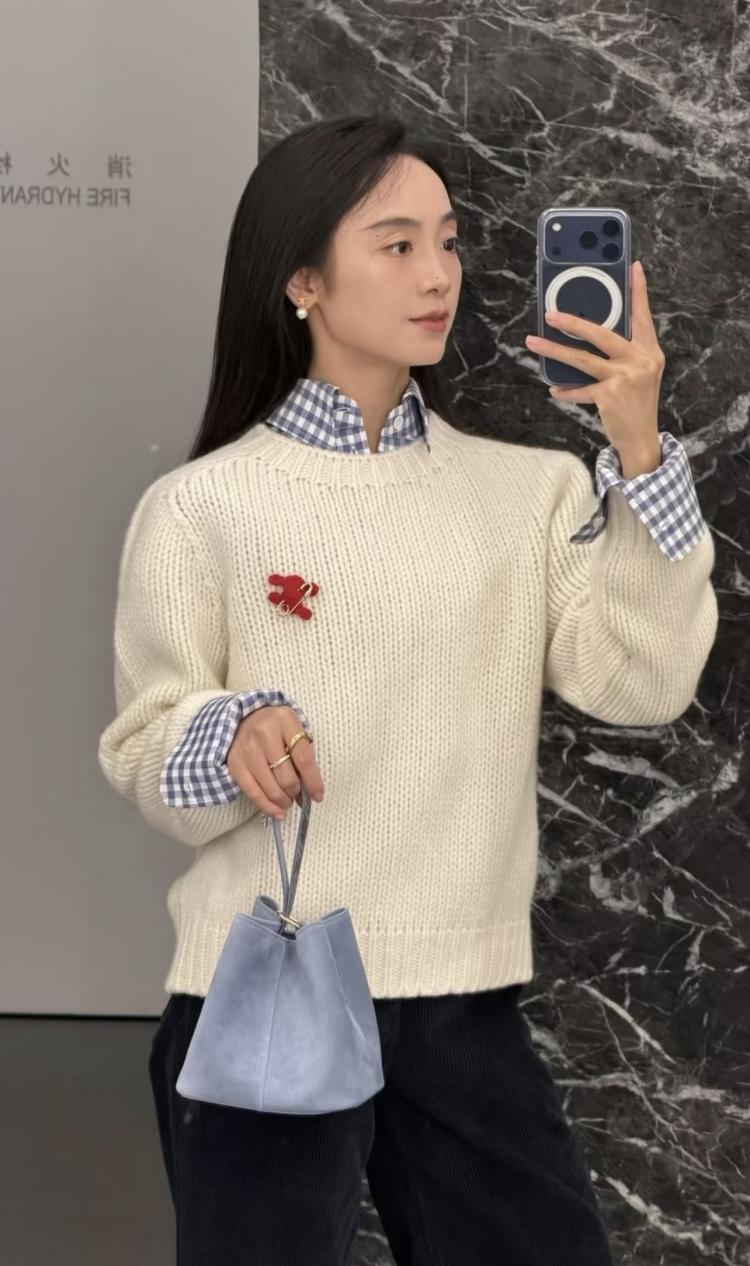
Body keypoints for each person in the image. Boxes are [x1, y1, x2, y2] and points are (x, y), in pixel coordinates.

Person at [98, 113, 718, 1265]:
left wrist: (638, 455)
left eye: (446, 241)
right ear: (301, 280)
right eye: (396, 245)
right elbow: (144, 748)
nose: (438, 275)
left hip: (462, 999)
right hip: (260, 988)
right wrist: (230, 735)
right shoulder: (201, 508)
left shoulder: (529, 491)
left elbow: (642, 684)